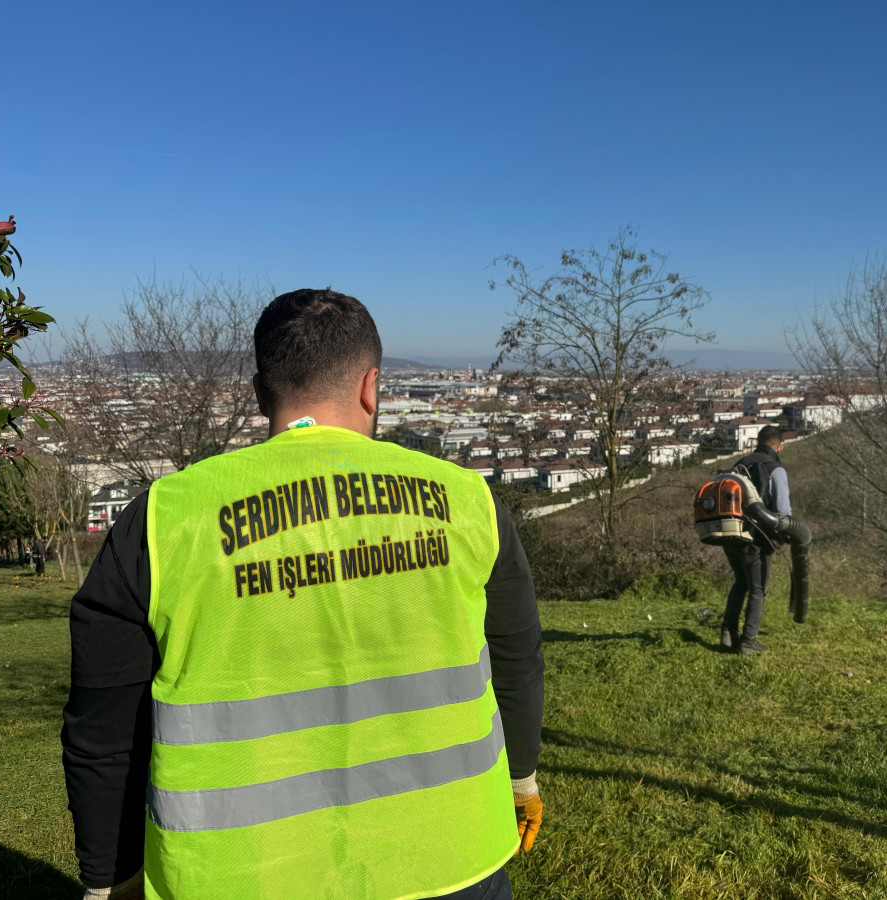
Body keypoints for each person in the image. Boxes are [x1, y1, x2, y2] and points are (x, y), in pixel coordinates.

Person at [62, 289, 545, 900]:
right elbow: (517, 659)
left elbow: (103, 731)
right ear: (373, 387)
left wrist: (108, 879)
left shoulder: (160, 522)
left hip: (237, 876)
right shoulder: (470, 503)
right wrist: (522, 777)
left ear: (261, 392)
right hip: (451, 858)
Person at [719, 425, 791, 655]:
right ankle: (748, 641)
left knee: (740, 582)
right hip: (755, 540)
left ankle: (728, 634)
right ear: (779, 447)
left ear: (757, 442)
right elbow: (782, 510)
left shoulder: (740, 464)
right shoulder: (775, 469)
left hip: (729, 534)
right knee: (758, 589)